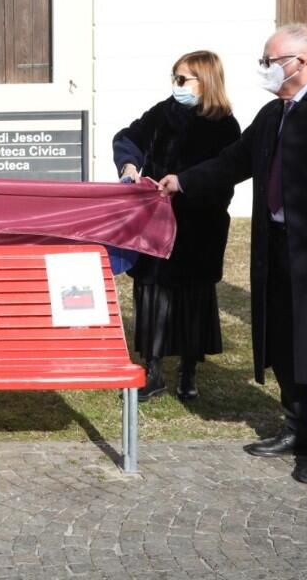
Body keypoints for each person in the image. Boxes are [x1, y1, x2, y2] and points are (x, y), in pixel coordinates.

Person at [158, 24, 307, 485]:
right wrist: (183, 180)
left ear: (302, 62)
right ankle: (299, 428)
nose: (264, 69)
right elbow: (234, 160)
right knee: (286, 342)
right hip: (278, 248)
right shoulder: (274, 114)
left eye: (270, 61)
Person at [113, 51, 240, 402]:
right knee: (151, 292)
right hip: (154, 222)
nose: (176, 85)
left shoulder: (225, 126)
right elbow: (129, 137)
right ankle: (152, 369)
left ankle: (188, 370)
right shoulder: (162, 113)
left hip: (199, 225)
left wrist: (186, 187)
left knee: (192, 297)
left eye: (182, 79)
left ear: (205, 81)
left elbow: (226, 176)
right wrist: (129, 164)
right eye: (174, 78)